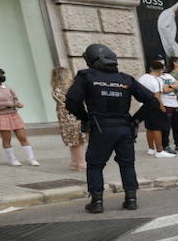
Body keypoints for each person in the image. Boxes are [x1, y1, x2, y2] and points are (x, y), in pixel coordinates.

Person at [64, 44, 156, 213]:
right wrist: (135, 121)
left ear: (91, 60)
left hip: (101, 128)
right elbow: (152, 101)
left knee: (95, 165)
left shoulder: (86, 77)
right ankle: (131, 200)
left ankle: (97, 202)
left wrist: (85, 118)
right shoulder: (126, 79)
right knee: (127, 164)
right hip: (124, 128)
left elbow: (71, 101)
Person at [0, 67, 38, 166]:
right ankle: (12, 159)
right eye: (0, 74)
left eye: (2, 74)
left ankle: (32, 159)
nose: (2, 76)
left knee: (22, 137)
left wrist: (17, 104)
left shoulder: (7, 87)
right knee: (7, 139)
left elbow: (15, 99)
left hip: (13, 114)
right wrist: (6, 104)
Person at [134, 60, 175, 159]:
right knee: (158, 128)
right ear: (161, 69)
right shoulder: (156, 80)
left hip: (144, 106)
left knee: (149, 127)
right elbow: (157, 96)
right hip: (154, 106)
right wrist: (162, 107)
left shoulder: (143, 77)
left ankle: (151, 148)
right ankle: (159, 150)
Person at [49, 66, 87, 172]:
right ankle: (81, 163)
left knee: (72, 141)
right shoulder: (71, 86)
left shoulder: (55, 88)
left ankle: (74, 162)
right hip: (74, 114)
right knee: (78, 140)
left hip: (63, 117)